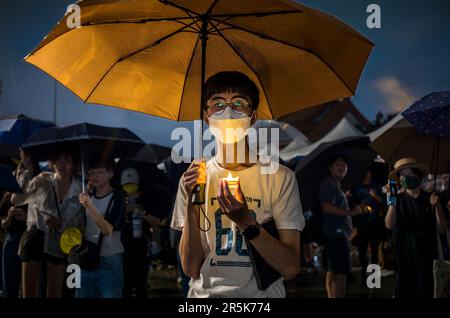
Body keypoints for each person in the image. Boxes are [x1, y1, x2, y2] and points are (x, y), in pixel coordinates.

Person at [171, 71, 304, 298]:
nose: (228, 111)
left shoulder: (280, 178)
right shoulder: (194, 178)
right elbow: (191, 268)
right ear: (206, 116)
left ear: (253, 116)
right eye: (217, 104)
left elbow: (290, 267)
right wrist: (191, 205)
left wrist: (245, 221)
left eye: (238, 103)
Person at [11, 148, 83, 298]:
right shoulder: (43, 179)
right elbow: (16, 200)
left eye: (68, 160)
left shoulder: (80, 190)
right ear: (53, 162)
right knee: (28, 293)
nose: (63, 164)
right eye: (60, 159)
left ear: (75, 165)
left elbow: (79, 226)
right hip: (36, 235)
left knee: (54, 293)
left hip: (60, 241)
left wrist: (60, 225)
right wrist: (28, 173)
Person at [385, 158, 447, 298]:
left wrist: (437, 207)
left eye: (408, 174)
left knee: (425, 290)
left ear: (418, 176)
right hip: (404, 255)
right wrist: (392, 201)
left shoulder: (430, 198)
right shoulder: (398, 199)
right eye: (402, 176)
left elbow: (442, 229)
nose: (405, 178)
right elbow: (389, 224)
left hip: (426, 256)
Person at [77, 159, 125, 298]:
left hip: (109, 259)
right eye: (92, 172)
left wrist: (90, 206)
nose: (95, 176)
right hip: (86, 258)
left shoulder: (117, 197)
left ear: (110, 174)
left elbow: (107, 229)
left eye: (100, 172)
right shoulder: (88, 197)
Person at [319, 155, 362, 298]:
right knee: (340, 274)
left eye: (344, 165)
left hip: (336, 234)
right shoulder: (328, 183)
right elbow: (326, 206)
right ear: (330, 168)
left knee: (333, 270)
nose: (341, 167)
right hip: (336, 235)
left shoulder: (335, 184)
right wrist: (350, 212)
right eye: (337, 164)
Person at [120, 167, 161, 298]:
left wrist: (142, 214)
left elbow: (157, 221)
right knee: (125, 284)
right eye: (126, 184)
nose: (129, 187)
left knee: (141, 284)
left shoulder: (146, 199)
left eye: (132, 184)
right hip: (123, 247)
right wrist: (124, 211)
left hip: (142, 246)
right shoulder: (119, 200)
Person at [351, 170, 385, 281]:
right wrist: (360, 206)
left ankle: (374, 276)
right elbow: (352, 203)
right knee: (362, 249)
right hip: (361, 223)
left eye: (369, 171)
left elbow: (384, 201)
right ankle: (364, 273)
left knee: (375, 249)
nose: (367, 174)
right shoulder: (356, 187)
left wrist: (374, 196)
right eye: (365, 172)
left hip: (375, 222)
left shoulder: (376, 186)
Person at [1, 192, 27, 298]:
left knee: (27, 281)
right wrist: (9, 217)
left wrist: (27, 217)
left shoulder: (34, 193)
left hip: (28, 238)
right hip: (11, 238)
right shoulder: (8, 196)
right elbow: (3, 225)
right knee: (9, 280)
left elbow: (44, 219)